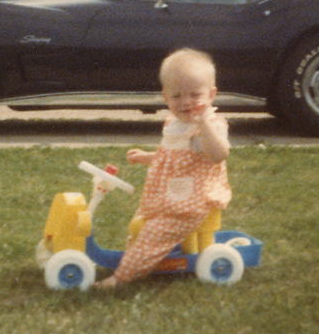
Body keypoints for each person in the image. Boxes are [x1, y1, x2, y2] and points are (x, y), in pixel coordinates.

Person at [94, 48, 232, 289]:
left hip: (191, 203)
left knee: (154, 234)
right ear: (166, 98)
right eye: (177, 96)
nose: (186, 102)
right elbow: (172, 154)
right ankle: (136, 257)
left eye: (194, 94)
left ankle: (122, 277)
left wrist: (204, 126)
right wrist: (148, 157)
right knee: (139, 224)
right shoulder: (174, 123)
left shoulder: (210, 125)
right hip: (165, 196)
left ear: (211, 95)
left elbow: (219, 154)